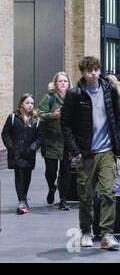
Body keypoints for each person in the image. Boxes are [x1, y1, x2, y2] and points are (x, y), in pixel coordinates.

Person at [61, 56, 120, 251]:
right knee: (86, 196)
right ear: (83, 73)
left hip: (106, 151)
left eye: (96, 69)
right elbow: (65, 124)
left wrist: (119, 145)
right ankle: (86, 231)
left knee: (108, 192)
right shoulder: (75, 94)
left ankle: (106, 234)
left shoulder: (110, 90)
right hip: (86, 153)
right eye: (89, 71)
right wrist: (75, 152)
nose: (94, 73)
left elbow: (117, 117)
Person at [2, 93, 44, 214]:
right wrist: (11, 147)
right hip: (16, 153)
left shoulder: (36, 120)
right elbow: (5, 134)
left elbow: (40, 137)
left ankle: (24, 197)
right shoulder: (13, 118)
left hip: (29, 154)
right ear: (21, 104)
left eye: (32, 103)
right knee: (19, 175)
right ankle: (22, 200)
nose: (30, 105)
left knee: (27, 176)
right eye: (27, 103)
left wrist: (32, 148)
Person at [37, 72, 72, 211]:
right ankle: (52, 187)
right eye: (60, 81)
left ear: (69, 83)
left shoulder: (72, 97)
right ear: (55, 83)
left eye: (65, 81)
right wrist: (52, 115)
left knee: (66, 172)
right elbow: (39, 113)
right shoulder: (49, 98)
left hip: (67, 142)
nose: (63, 83)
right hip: (51, 141)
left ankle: (63, 200)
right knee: (51, 171)